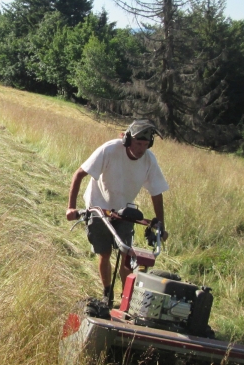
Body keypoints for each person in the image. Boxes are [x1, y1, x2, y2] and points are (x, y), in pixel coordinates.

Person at [66, 119, 169, 301]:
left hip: (124, 211)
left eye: (145, 145)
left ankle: (127, 298)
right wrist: (71, 208)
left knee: (126, 254)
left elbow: (157, 192)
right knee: (104, 253)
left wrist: (160, 224)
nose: (141, 149)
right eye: (138, 143)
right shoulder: (110, 150)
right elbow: (79, 174)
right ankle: (108, 293)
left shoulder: (148, 160)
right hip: (98, 207)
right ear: (128, 140)